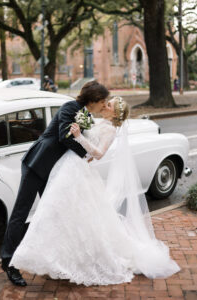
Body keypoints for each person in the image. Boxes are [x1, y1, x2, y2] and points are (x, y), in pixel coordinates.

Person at [10, 96, 180, 286]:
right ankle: (55, 259)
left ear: (115, 113)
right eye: (106, 102)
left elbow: (98, 154)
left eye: (109, 105)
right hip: (67, 166)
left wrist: (79, 137)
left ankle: (59, 260)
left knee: (59, 213)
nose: (105, 105)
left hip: (76, 170)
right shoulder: (99, 121)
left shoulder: (110, 129)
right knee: (61, 215)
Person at [1, 81, 109, 286]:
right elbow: (64, 136)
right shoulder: (70, 108)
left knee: (52, 214)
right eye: (102, 102)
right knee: (20, 213)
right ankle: (9, 264)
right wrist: (86, 155)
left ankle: (50, 260)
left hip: (53, 170)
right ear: (93, 100)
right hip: (37, 164)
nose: (104, 106)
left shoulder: (85, 114)